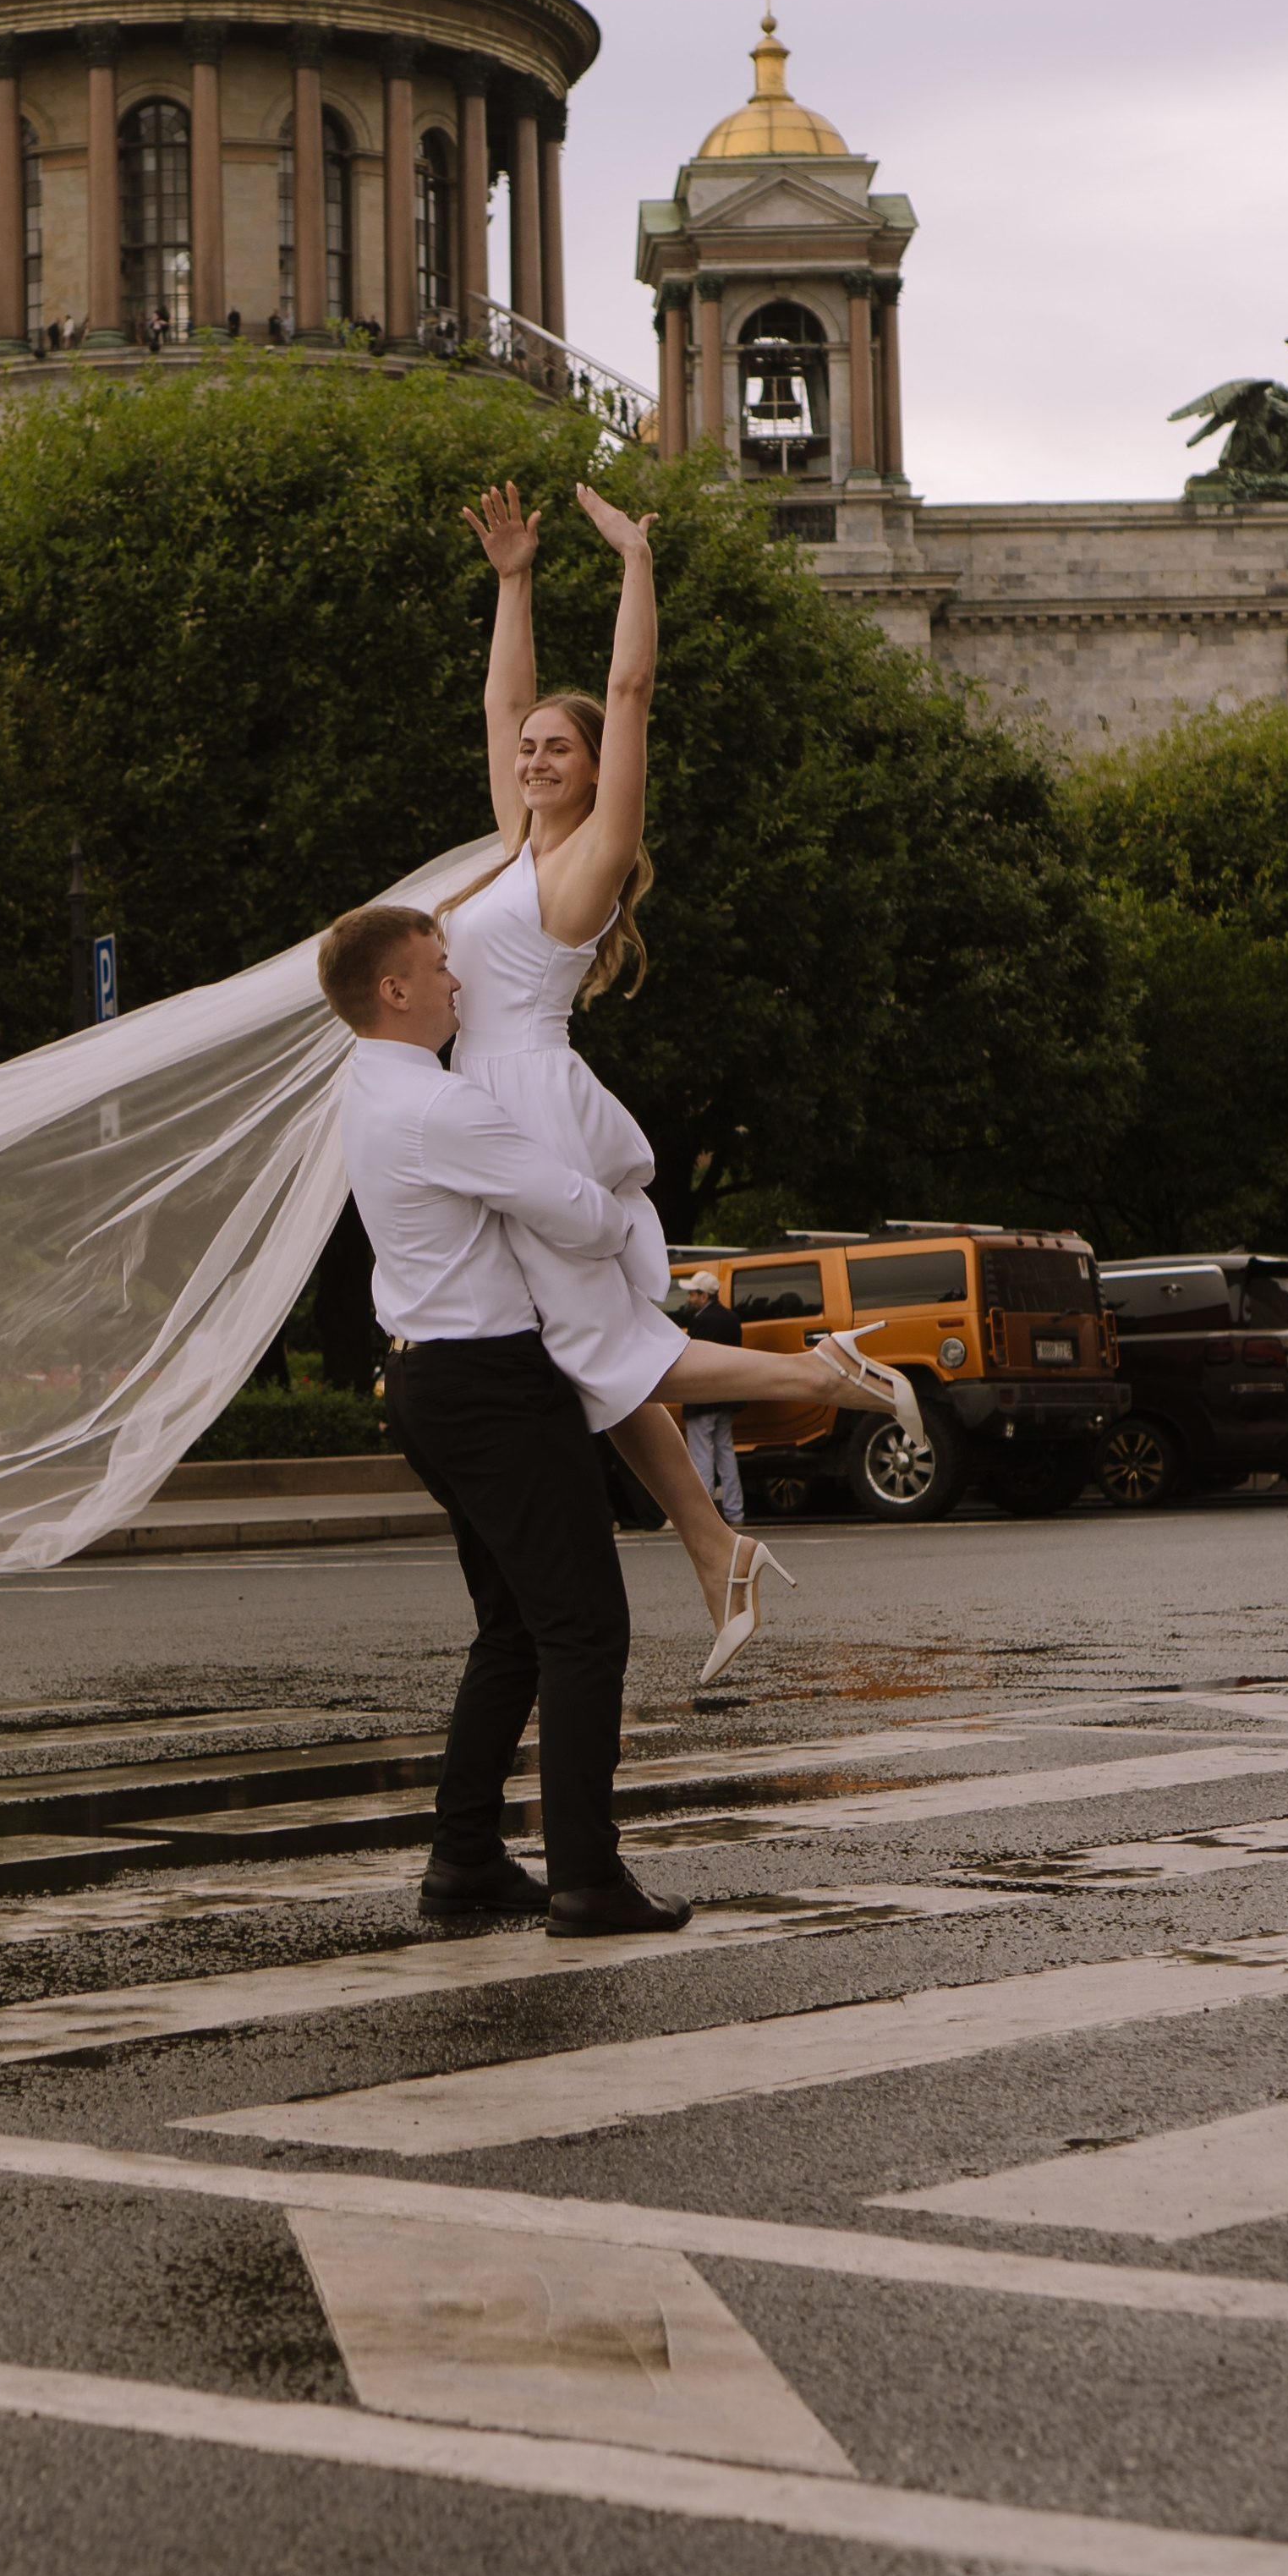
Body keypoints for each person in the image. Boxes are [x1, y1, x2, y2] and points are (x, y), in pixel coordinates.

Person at [445, 479, 924, 1685]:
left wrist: (635, 563)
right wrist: (510, 581)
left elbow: (628, 692)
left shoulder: (591, 856)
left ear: (596, 772)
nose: (534, 755)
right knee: (588, 1353)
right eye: (528, 751)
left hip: (529, 1104)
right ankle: (717, 1548)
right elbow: (507, 695)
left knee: (598, 1350)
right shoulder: (513, 846)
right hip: (490, 1103)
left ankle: (827, 1374)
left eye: (558, 750)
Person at [319, 900, 692, 1937]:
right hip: (492, 1389)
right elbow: (578, 1212)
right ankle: (586, 1879)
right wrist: (620, 1203)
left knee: (514, 1633)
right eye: (438, 968)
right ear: (392, 989)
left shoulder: (364, 1088)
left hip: (428, 1385)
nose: (457, 982)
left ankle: (467, 1862)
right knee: (583, 1630)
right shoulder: (442, 1107)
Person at [678, 1269, 745, 1530]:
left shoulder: (700, 1321)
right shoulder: (731, 1318)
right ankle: (735, 1512)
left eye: (692, 1293)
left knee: (701, 1455)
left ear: (704, 1296)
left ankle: (705, 1516)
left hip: (702, 1395)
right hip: (726, 1395)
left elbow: (691, 1357)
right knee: (726, 1453)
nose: (689, 1298)